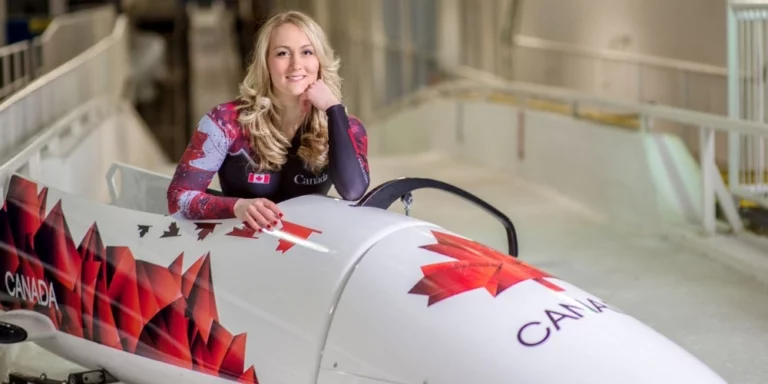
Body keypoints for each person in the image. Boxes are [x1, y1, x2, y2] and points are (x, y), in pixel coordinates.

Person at [166, 10, 370, 232]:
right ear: (266, 63)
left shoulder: (346, 127)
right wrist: (237, 207)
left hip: (308, 253)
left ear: (320, 61)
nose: (296, 64)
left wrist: (334, 110)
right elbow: (178, 199)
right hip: (243, 248)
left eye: (307, 52)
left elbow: (353, 190)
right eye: (282, 53)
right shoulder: (225, 122)